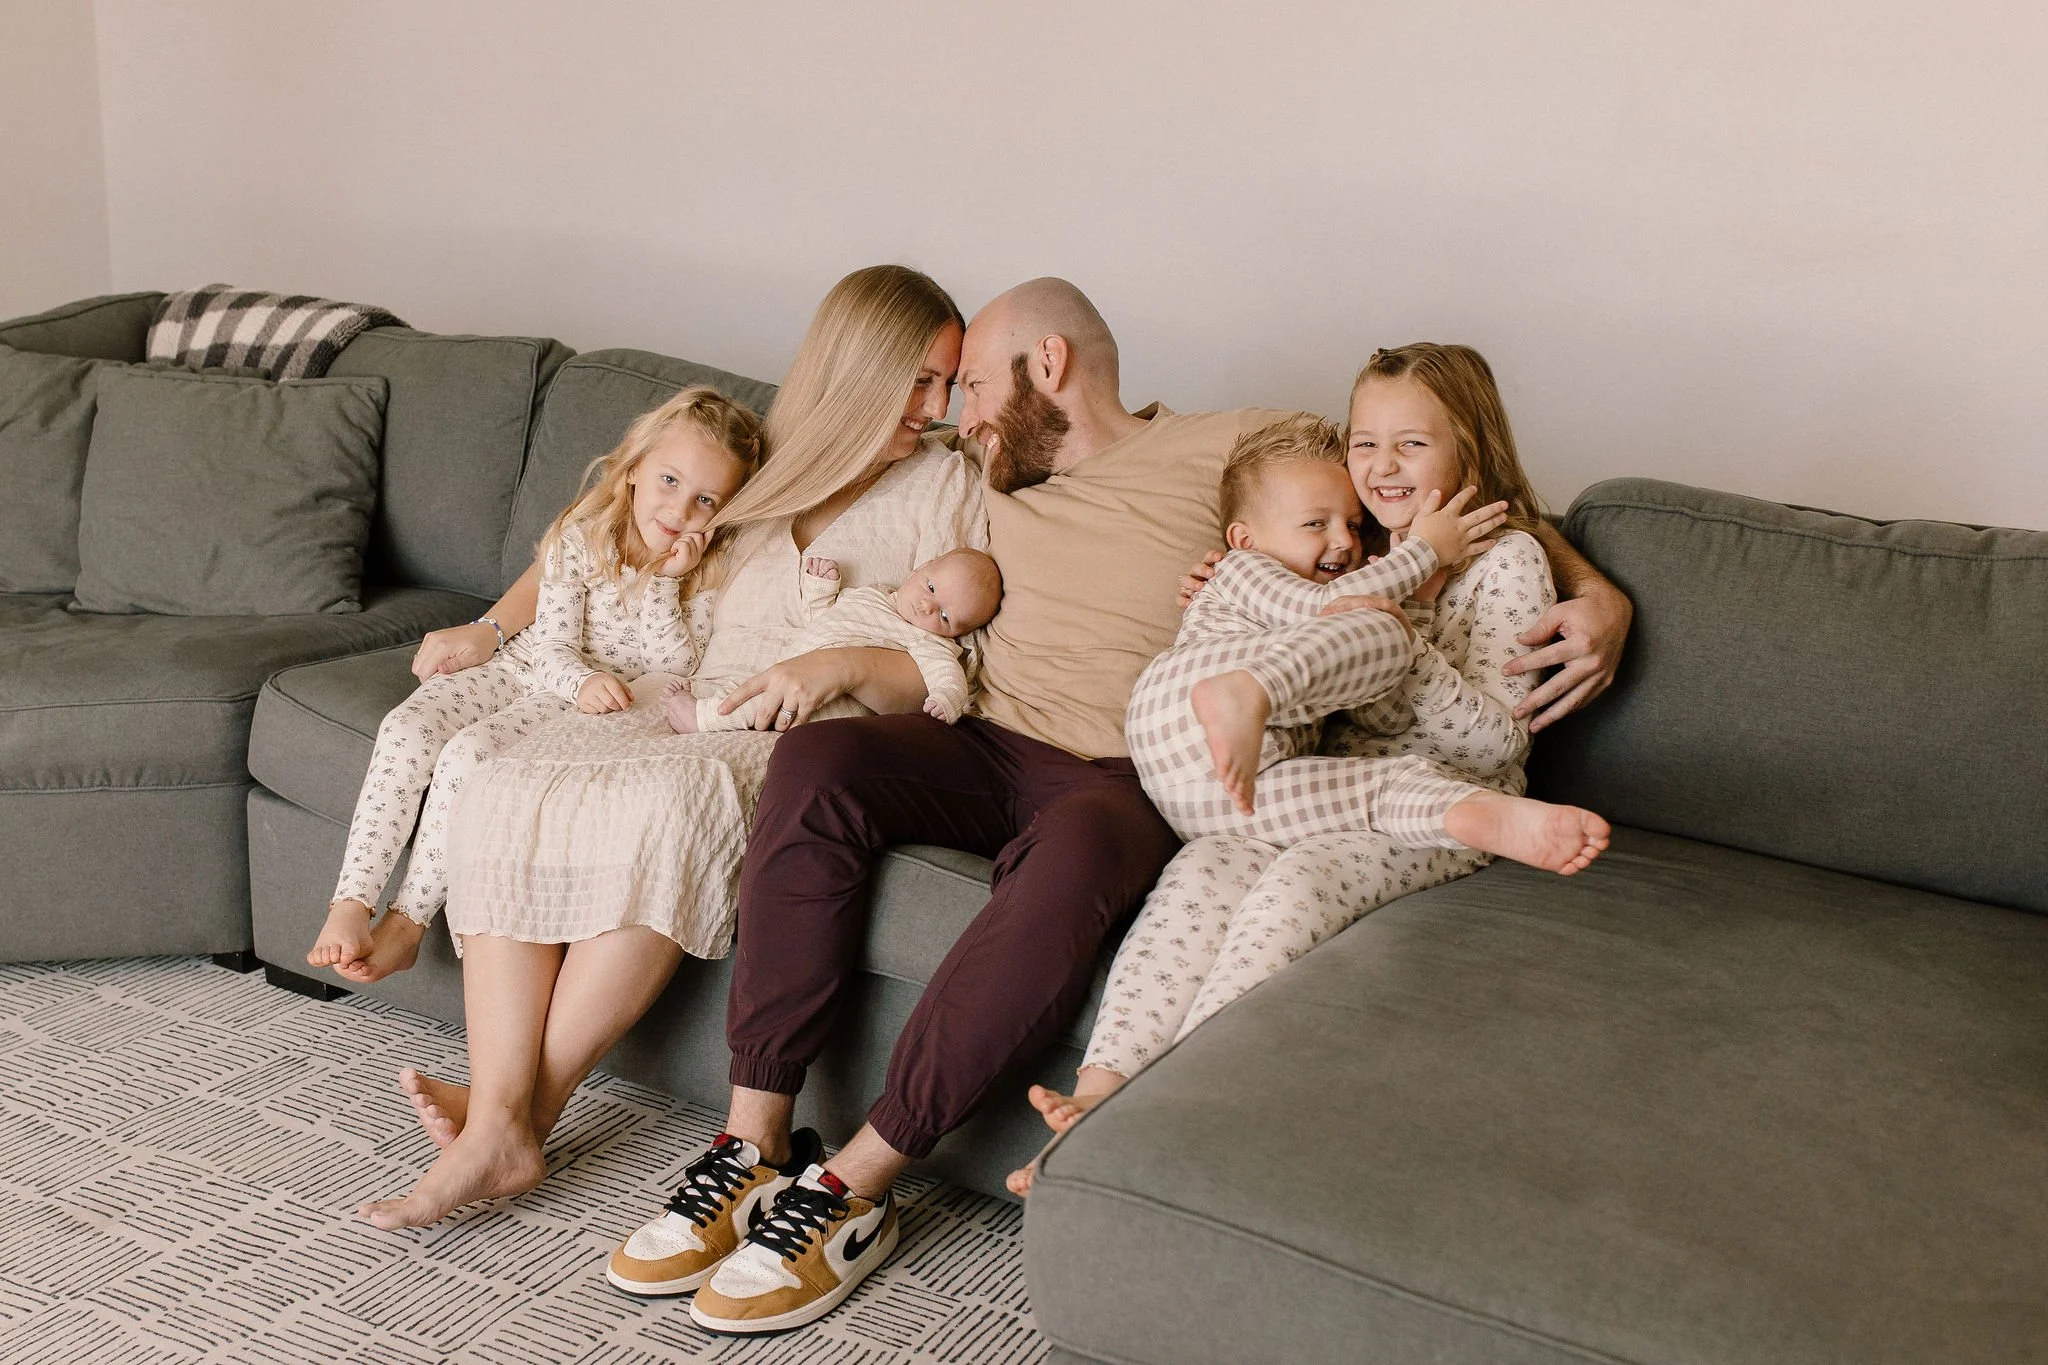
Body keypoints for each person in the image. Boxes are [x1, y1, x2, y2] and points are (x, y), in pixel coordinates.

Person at [622, 281, 1631, 1336]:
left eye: (972, 385)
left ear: (1047, 368)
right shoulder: (984, 461)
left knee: (1077, 859)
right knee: (821, 757)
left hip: (1122, 772)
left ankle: (852, 1188)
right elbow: (798, 456)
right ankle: (752, 1143)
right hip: (977, 738)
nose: (959, 415)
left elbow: (1430, 483)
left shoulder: (1233, 444)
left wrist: (1591, 588)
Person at [353, 263, 985, 1234]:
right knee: (507, 782)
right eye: (917, 379)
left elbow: (945, 670)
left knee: (670, 801)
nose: (936, 405)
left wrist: (840, 666)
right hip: (686, 699)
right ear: (854, 369)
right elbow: (591, 533)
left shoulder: (950, 488)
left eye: (948, 382)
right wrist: (490, 629)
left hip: (806, 733)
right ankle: (501, 1122)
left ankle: (511, 1121)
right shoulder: (761, 465)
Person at [1012, 343, 1606, 1194]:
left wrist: (1402, 639)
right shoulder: (1356, 552)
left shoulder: (1507, 562)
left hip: (1444, 800)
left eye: (1411, 444)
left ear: (1466, 447)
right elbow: (1299, 612)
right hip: (1310, 782)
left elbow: (1497, 744)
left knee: (1292, 889)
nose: (1381, 466)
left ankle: (1160, 1109)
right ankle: (1096, 1094)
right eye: (1366, 443)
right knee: (1200, 871)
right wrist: (1252, 591)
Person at [306, 388, 762, 983]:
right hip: (532, 667)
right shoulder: (584, 534)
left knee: (469, 757)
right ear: (632, 473)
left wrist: (663, 584)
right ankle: (351, 902)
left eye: (706, 499)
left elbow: (674, 661)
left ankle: (408, 921)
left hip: (571, 705)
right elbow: (549, 641)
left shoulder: (707, 570)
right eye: (669, 481)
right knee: (408, 726)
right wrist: (580, 680)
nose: (680, 510)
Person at [664, 546, 1001, 732]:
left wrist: (947, 699)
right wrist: (821, 589)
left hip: (829, 701)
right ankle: (709, 699)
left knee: (759, 704)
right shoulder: (874, 595)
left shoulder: (930, 642)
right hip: (795, 666)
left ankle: (703, 718)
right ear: (921, 567)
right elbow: (826, 622)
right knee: (751, 685)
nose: (928, 606)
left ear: (958, 633)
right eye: (931, 588)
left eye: (944, 616)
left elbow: (948, 673)